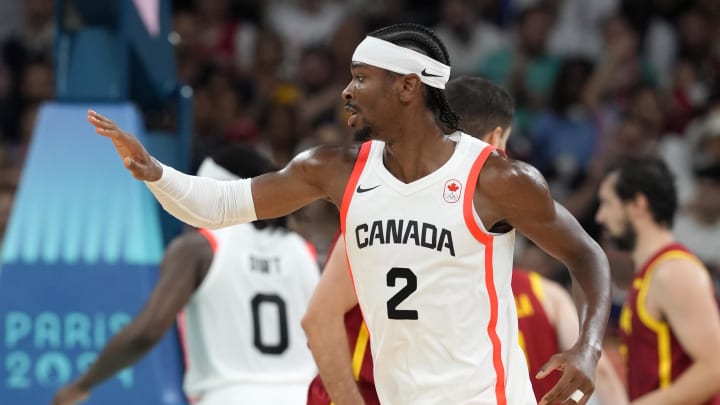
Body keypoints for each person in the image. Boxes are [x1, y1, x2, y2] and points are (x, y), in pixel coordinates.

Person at [88, 23, 612, 404]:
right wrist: (152, 169)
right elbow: (221, 205)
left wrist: (589, 346)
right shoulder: (335, 169)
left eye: (361, 78)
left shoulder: (497, 179)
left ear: (408, 87)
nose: (345, 91)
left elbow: (587, 255)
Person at [303, 76, 625, 405]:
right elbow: (318, 318)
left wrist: (588, 347)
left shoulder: (484, 211)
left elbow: (584, 254)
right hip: (366, 392)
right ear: (496, 138)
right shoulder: (385, 211)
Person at [52, 146, 320, 405]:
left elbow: (145, 332)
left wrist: (81, 385)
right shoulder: (306, 251)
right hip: (307, 395)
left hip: (227, 396)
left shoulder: (198, 248)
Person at [595, 156, 720, 404]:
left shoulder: (673, 272)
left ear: (638, 205)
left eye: (608, 204)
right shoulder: (652, 272)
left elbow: (715, 366)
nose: (600, 216)